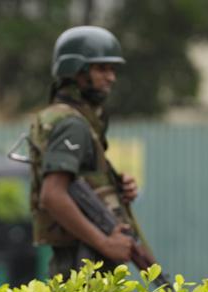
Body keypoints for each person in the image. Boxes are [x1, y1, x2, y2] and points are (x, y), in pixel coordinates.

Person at [27, 25, 157, 278]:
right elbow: (52, 195)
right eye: (101, 68)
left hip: (81, 260)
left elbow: (80, 181)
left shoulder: (69, 119)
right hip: (81, 263)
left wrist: (116, 188)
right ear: (76, 71)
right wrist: (105, 242)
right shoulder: (71, 124)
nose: (111, 77)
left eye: (112, 69)